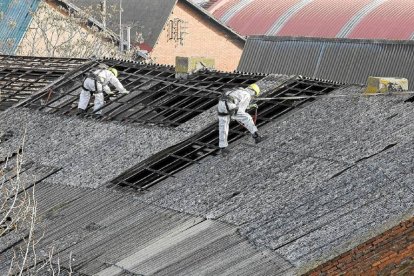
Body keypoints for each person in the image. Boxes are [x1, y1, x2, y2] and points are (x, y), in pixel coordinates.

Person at [217, 83, 265, 156]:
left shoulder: (239, 90)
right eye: (254, 96)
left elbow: (238, 106)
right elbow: (241, 110)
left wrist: (249, 106)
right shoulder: (247, 94)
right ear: (254, 92)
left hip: (221, 104)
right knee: (247, 118)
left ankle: (223, 149)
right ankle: (256, 137)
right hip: (230, 105)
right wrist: (235, 115)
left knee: (223, 126)